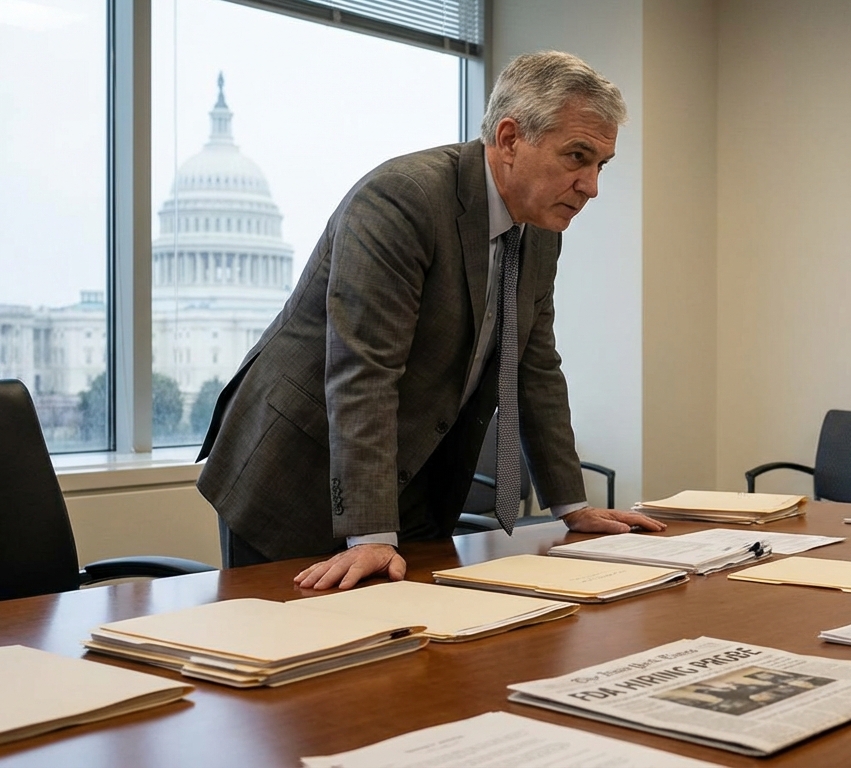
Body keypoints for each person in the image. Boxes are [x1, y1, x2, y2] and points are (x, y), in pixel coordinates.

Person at [196, 51, 664, 590]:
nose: (591, 186)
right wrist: (369, 531)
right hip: (296, 475)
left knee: (416, 654)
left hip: (414, 476)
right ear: (510, 139)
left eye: (601, 164)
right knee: (293, 653)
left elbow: (533, 368)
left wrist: (572, 504)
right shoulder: (403, 198)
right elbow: (363, 370)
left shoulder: (539, 232)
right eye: (577, 156)